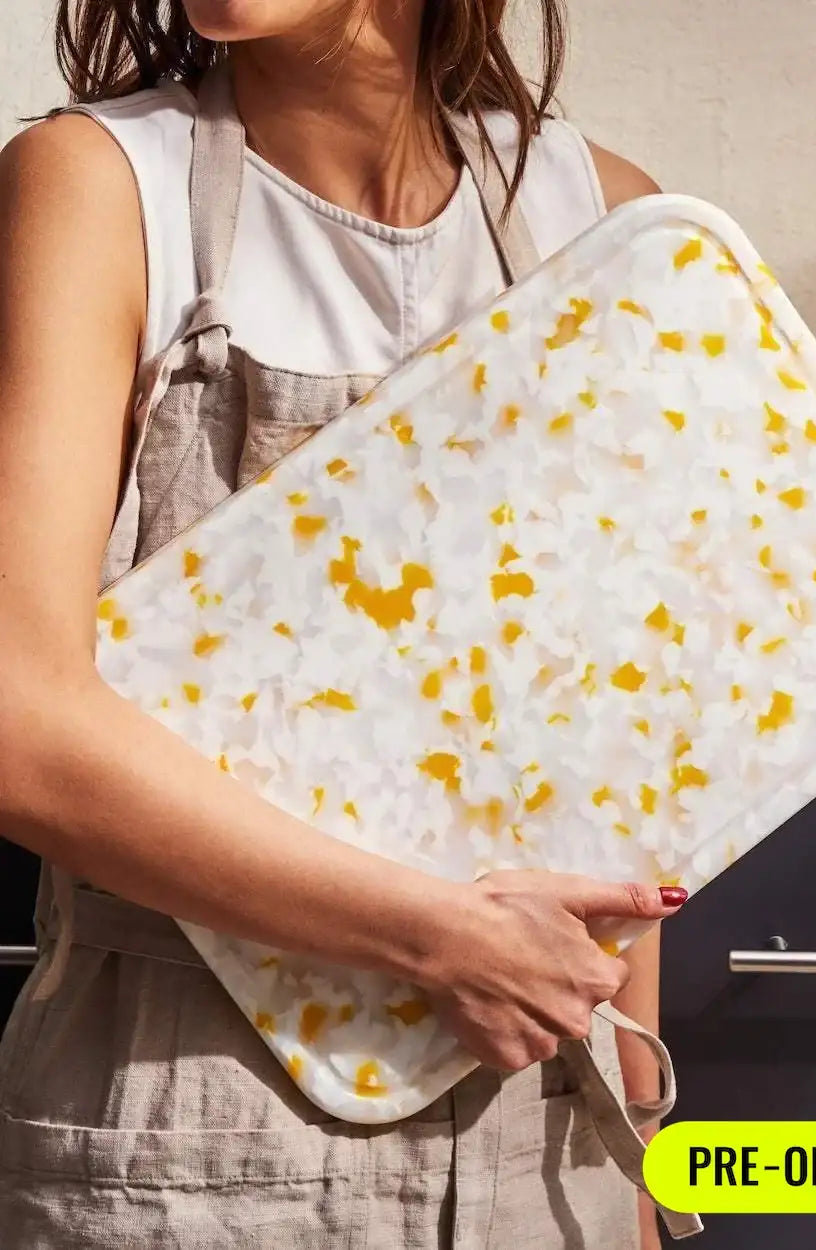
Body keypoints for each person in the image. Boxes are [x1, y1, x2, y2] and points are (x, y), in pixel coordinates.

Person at [0, 2, 692, 1246]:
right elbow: (16, 716)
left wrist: (636, 1163)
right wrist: (440, 938)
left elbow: (623, 771)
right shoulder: (101, 189)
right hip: (182, 1145)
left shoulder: (599, 221)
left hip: (540, 1152)